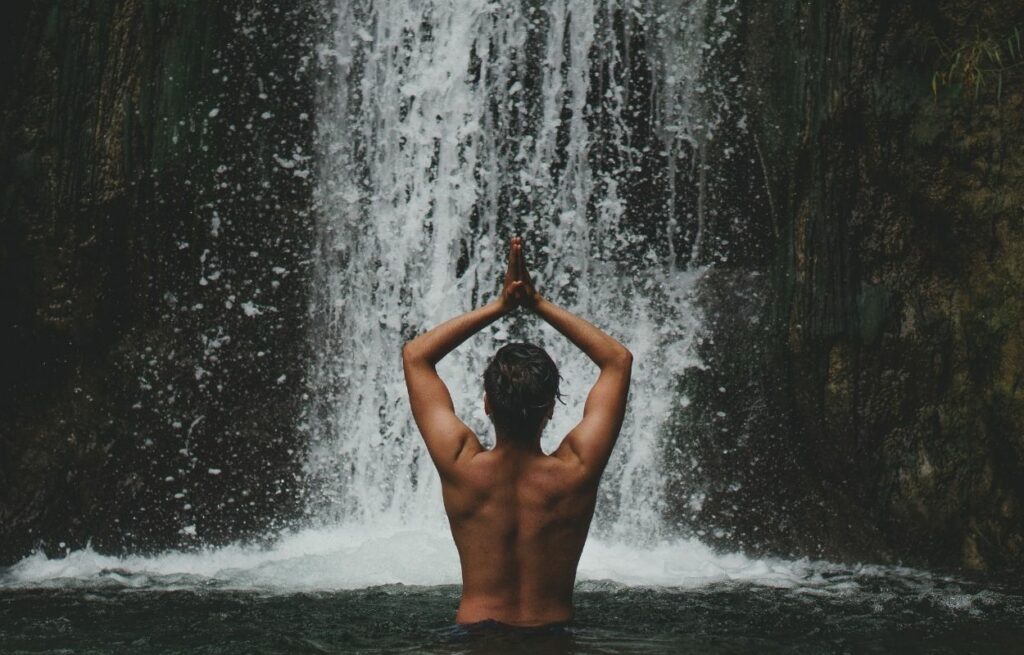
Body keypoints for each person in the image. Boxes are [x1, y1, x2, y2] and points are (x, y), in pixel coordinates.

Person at [402, 236, 633, 627]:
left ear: (488, 404)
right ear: (550, 409)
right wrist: (537, 303)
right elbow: (617, 360)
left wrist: (500, 305)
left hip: (477, 637)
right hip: (554, 638)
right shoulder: (576, 469)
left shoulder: (460, 464)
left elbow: (416, 355)